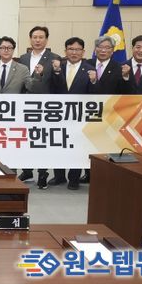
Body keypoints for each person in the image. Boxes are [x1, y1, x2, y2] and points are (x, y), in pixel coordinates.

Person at [48, 37, 98, 190]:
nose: (74, 52)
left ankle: (74, 178)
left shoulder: (90, 69)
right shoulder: (59, 66)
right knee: (58, 145)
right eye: (71, 49)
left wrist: (94, 81)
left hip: (79, 115)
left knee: (77, 147)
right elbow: (53, 88)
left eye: (77, 49)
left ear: (83, 52)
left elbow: (94, 95)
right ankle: (59, 176)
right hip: (59, 114)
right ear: (65, 51)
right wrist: (56, 72)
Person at [82, 35, 134, 183]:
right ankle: (88, 174)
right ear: (95, 49)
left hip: (110, 113)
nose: (103, 50)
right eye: (100, 47)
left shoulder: (120, 67)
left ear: (113, 50)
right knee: (88, 143)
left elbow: (127, 92)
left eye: (107, 48)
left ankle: (106, 175)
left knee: (106, 144)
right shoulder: (86, 64)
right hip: (88, 111)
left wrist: (126, 77)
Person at [17, 26, 61, 189]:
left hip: (45, 106)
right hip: (26, 105)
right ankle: (27, 171)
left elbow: (58, 83)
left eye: (41, 37)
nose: (37, 40)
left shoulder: (55, 58)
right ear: (30, 39)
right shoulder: (23, 58)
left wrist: (53, 71)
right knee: (26, 139)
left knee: (42, 141)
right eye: (34, 37)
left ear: (46, 40)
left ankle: (43, 173)